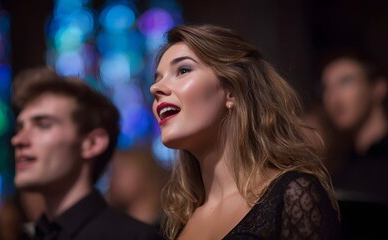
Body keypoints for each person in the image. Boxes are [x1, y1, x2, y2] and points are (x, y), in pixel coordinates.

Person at [150, 24, 340, 240]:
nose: (155, 88)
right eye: (157, 78)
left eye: (183, 70)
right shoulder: (175, 222)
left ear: (231, 90)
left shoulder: (293, 195)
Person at [11, 67, 163, 240]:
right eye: (20, 127)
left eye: (43, 125)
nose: (18, 140)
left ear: (92, 143)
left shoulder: (136, 237)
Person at [321, 52, 388, 239]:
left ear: (378, 88)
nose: (333, 97)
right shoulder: (338, 166)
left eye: (345, 82)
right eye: (326, 88)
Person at [107, 147, 167, 227]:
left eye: (121, 170)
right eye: (113, 172)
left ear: (146, 175)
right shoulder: (115, 225)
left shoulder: (167, 228)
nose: (112, 178)